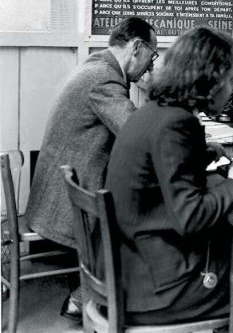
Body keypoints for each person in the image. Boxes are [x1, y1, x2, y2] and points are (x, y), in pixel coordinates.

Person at [105, 26, 233, 324]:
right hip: (158, 289)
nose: (232, 89)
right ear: (211, 79)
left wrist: (201, 153)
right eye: (231, 80)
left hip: (129, 268)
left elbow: (160, 171)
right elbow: (190, 217)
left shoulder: (154, 111)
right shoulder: (177, 123)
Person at [25, 17, 158, 322]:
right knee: (142, 209)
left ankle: (88, 292)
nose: (150, 66)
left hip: (58, 191)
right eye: (152, 56)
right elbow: (134, 133)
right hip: (63, 206)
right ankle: (93, 295)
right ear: (136, 47)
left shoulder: (97, 66)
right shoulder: (105, 78)